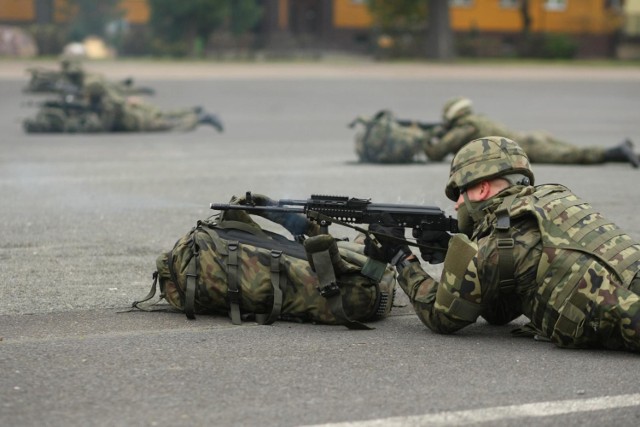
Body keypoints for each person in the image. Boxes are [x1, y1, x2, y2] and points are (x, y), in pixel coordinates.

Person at [365, 136, 640, 352]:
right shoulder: (555, 199)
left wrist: (401, 256)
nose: (458, 203)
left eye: (461, 192)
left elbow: (442, 316)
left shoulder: (498, 242)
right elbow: (500, 310)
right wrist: (452, 251)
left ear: (482, 189)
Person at [423, 97, 639, 168]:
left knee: (575, 156)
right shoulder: (478, 119)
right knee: (575, 150)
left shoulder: (466, 126)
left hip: (527, 146)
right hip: (532, 136)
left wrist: (425, 137)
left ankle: (617, 152)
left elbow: (436, 153)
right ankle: (620, 151)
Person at [23, 71, 224, 133]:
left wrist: (91, 116)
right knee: (168, 113)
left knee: (174, 125)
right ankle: (197, 112)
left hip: (141, 122)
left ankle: (199, 118)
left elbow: (105, 125)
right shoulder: (106, 98)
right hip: (138, 115)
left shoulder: (107, 104)